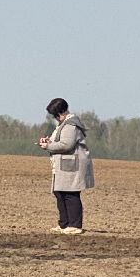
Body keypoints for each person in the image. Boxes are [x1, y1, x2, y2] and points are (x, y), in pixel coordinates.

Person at [37, 97, 95, 234]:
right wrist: (48, 141)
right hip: (65, 165)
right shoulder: (64, 124)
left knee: (70, 194)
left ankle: (75, 225)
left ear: (60, 112)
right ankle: (64, 224)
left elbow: (66, 145)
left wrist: (48, 146)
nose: (55, 118)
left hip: (71, 165)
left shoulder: (70, 125)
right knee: (59, 192)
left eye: (55, 115)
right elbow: (59, 140)